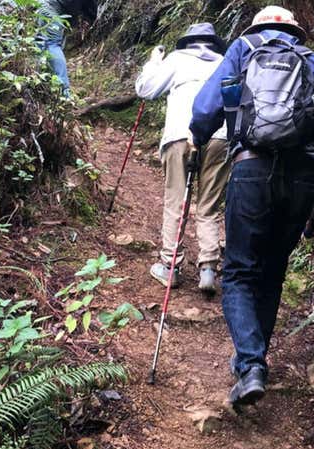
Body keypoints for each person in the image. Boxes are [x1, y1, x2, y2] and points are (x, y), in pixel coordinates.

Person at [189, 6, 314, 407]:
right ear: (296, 32)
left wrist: (198, 138)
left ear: (257, 26)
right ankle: (254, 361)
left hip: (252, 169)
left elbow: (206, 109)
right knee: (273, 270)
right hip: (304, 178)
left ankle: (251, 364)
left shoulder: (242, 50)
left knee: (239, 271)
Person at [135, 23, 231, 294]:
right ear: (214, 43)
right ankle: (208, 268)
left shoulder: (177, 59)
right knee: (209, 206)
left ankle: (170, 266)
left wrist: (154, 62)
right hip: (220, 137)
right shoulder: (225, 64)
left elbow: (145, 89)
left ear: (188, 41)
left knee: (176, 201)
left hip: (179, 135)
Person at [37, 0, 97, 98]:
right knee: (52, 44)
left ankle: (46, 82)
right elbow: (91, 6)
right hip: (54, 8)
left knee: (45, 43)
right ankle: (62, 91)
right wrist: (88, 18)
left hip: (55, 9)